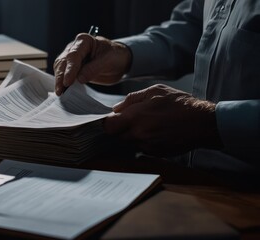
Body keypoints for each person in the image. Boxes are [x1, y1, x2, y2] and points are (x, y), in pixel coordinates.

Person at [54, 0, 260, 175]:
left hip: (246, 188)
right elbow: (197, 25)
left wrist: (208, 121)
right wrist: (123, 53)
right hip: (185, 174)